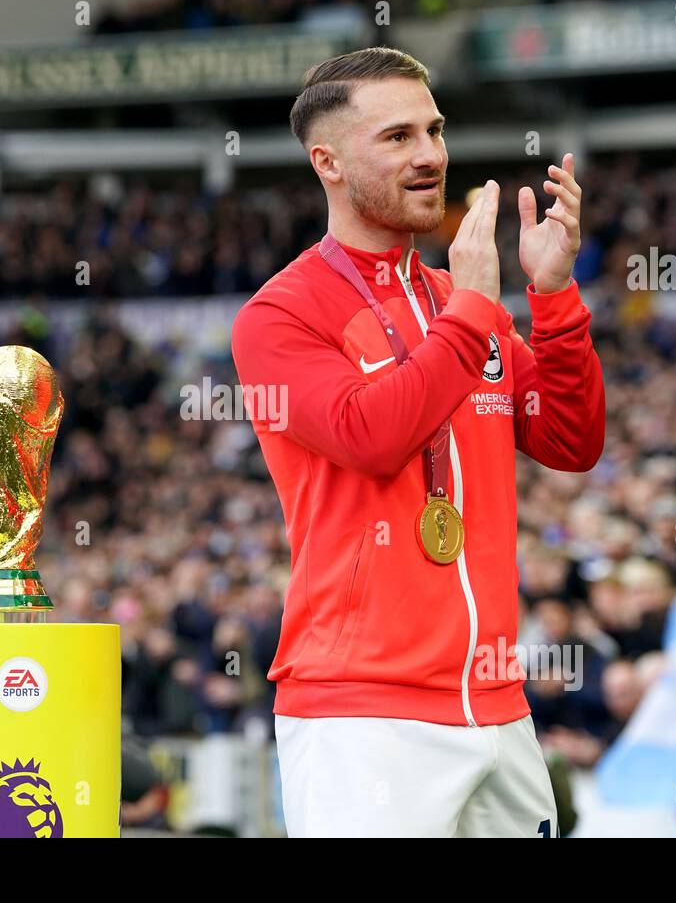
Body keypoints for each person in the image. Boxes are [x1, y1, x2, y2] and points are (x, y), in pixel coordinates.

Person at [231, 46, 605, 836]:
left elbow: (571, 441)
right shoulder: (280, 315)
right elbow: (371, 436)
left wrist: (553, 296)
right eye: (397, 137)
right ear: (327, 161)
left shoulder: (458, 298)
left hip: (497, 706)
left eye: (434, 130)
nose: (430, 154)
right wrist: (472, 311)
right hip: (364, 716)